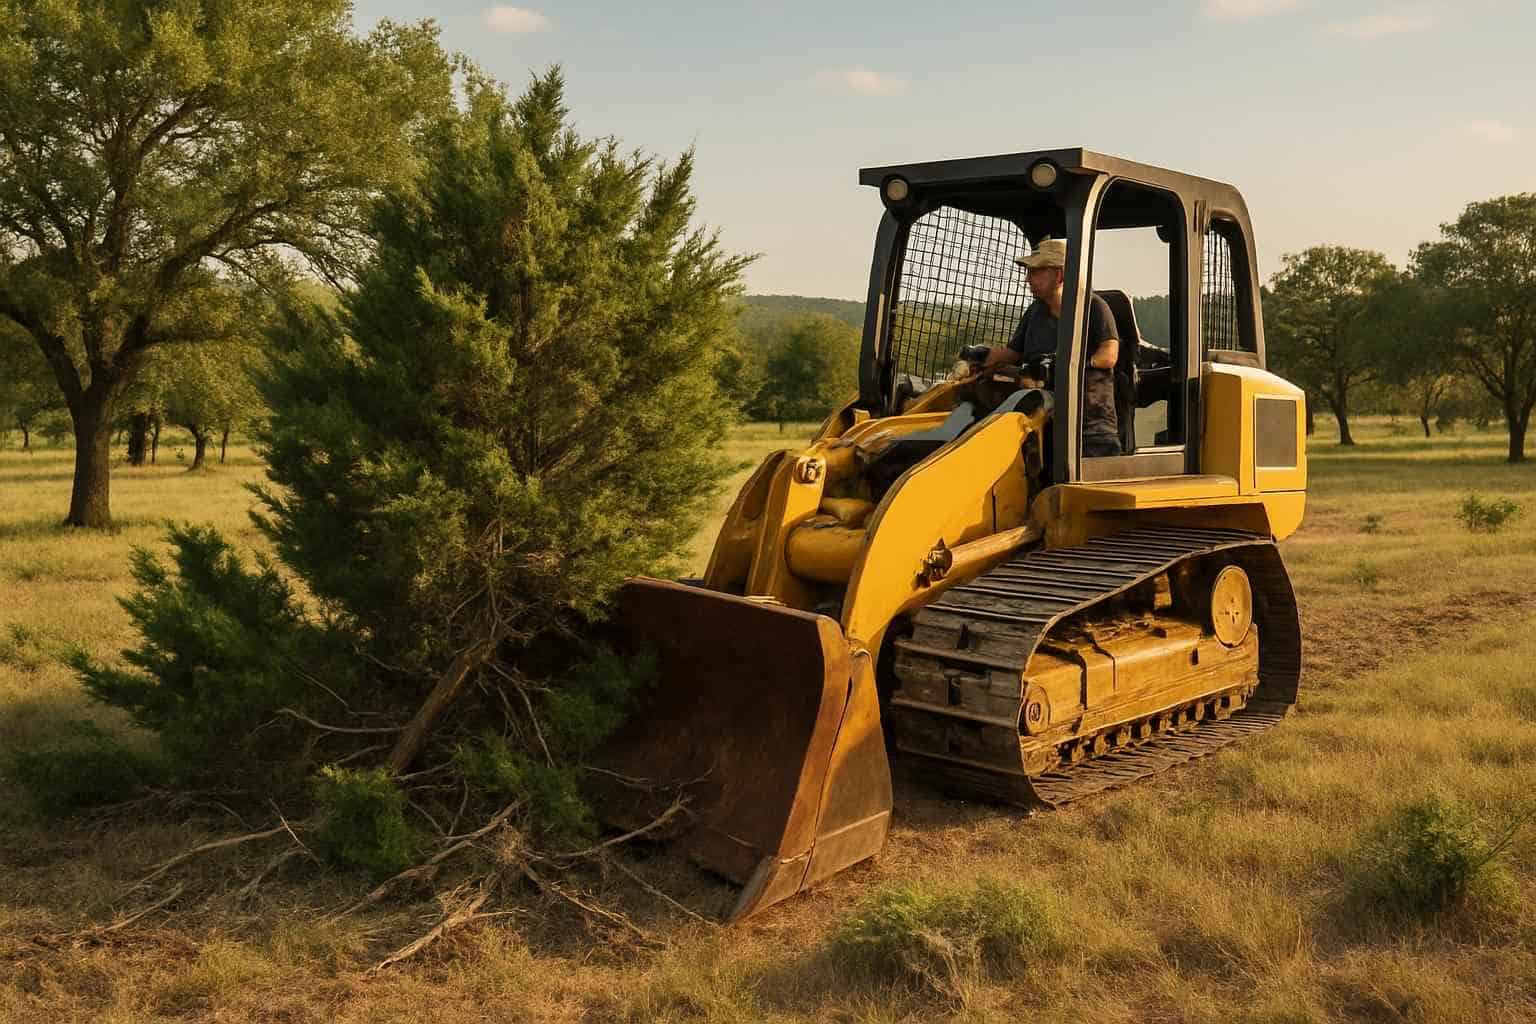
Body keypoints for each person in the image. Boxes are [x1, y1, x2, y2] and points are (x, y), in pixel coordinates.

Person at [982, 237, 1121, 457]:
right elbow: (1012, 353)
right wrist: (980, 357)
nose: (1028, 279)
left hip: (1089, 432)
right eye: (1028, 272)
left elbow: (1109, 355)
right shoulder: (1034, 313)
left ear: (1059, 275)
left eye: (1036, 272)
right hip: (1042, 428)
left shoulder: (1093, 307)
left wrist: (1067, 364)